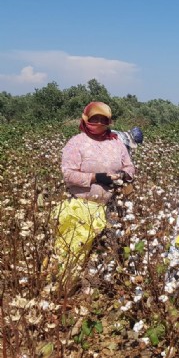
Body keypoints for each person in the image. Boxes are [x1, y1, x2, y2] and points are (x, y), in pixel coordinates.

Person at [56, 102, 136, 276]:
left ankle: (95, 290)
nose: (99, 123)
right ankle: (65, 291)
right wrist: (95, 177)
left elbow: (130, 168)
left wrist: (122, 176)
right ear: (86, 119)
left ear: (108, 121)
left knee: (105, 255)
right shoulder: (76, 143)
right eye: (95, 119)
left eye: (103, 119)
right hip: (81, 208)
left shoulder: (116, 143)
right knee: (72, 255)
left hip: (112, 208)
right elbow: (68, 174)